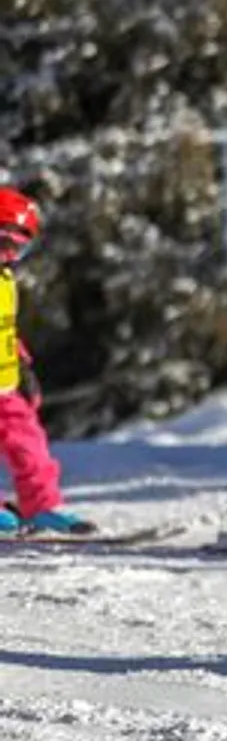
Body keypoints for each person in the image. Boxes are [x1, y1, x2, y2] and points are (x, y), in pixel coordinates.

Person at [0, 188, 96, 536]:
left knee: (30, 445)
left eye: (18, 247)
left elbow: (7, 331)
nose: (10, 253)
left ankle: (42, 506)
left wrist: (23, 368)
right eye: (4, 242)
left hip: (5, 386)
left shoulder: (6, 280)